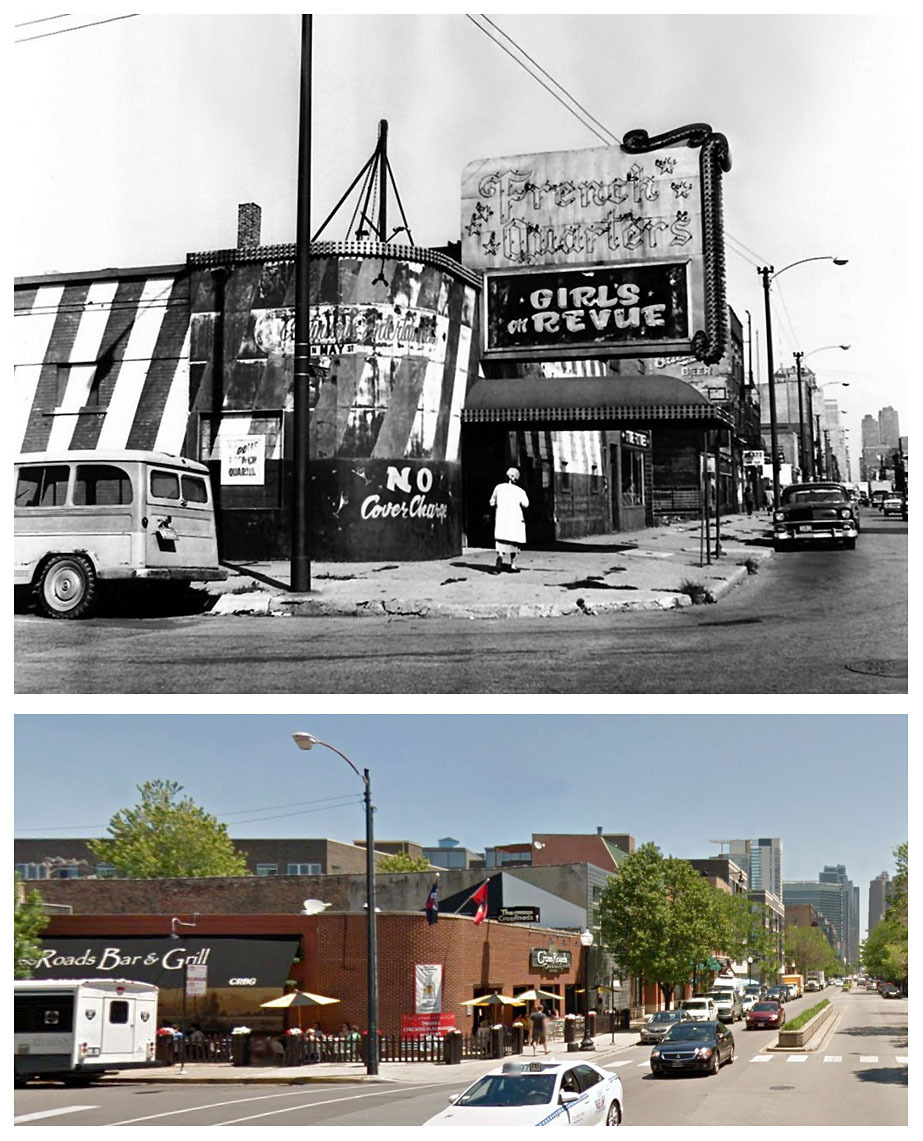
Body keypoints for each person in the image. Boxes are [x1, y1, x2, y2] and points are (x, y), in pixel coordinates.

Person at [489, 467, 529, 573]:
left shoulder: (498, 488)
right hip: (515, 520)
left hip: (502, 519)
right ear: (516, 479)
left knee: (501, 543)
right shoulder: (520, 491)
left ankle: (498, 564)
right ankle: (513, 565)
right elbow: (526, 504)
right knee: (515, 544)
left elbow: (491, 502)